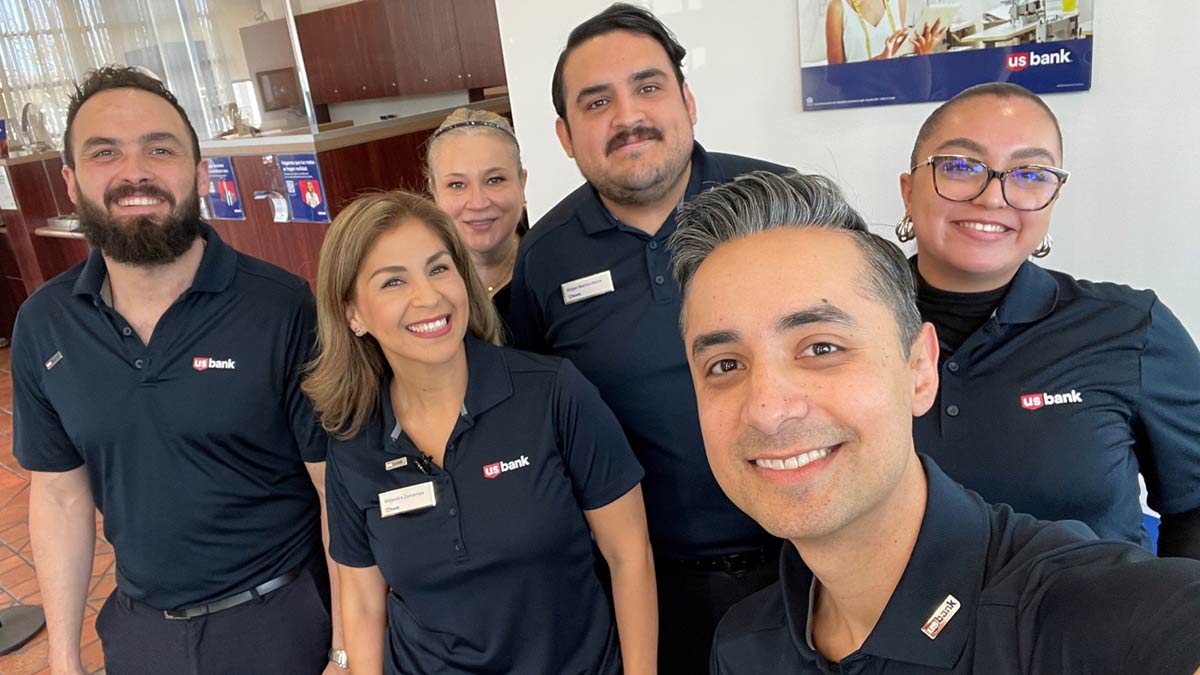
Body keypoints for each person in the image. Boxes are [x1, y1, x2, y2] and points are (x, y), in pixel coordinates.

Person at [665, 170, 1200, 674]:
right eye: (725, 365)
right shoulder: (743, 644)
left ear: (920, 369)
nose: (767, 407)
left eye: (821, 347)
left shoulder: (1075, 614)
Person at [13, 66, 342, 674]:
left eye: (159, 150)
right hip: (141, 634)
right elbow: (59, 496)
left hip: (281, 621)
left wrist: (346, 646)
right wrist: (63, 657)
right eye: (105, 152)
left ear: (199, 173)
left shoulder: (281, 306)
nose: (134, 172)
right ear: (71, 182)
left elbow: (334, 487)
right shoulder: (44, 324)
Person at [506, 4, 789, 671]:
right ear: (565, 135)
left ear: (688, 100)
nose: (628, 115)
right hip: (647, 591)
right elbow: (538, 426)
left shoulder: (781, 203)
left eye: (649, 86)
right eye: (597, 101)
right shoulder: (544, 260)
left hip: (806, 565)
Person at [302, 190, 656, 674]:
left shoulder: (553, 394)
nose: (428, 297)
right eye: (393, 283)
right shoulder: (353, 443)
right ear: (353, 314)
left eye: (439, 268)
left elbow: (629, 554)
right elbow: (363, 604)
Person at [895, 82, 1200, 558]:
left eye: (1030, 173)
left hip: (1093, 624)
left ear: (1053, 198)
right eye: (959, 166)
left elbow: (1195, 505)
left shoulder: (1129, 327)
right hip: (890, 630)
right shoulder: (843, 330)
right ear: (909, 191)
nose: (993, 197)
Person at [425, 107, 528, 322]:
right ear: (434, 192)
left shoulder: (559, 270)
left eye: (495, 180)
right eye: (457, 184)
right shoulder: (419, 290)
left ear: (522, 183)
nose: (478, 202)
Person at [824, 0, 945, 64]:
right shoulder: (838, 7)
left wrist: (923, 52)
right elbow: (835, 76)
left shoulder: (897, 2)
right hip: (858, 99)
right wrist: (880, 59)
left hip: (894, 93)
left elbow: (898, 57)